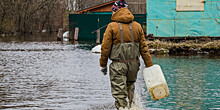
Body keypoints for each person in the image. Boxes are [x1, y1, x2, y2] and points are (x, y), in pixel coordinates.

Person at [99, 0, 153, 109]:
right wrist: (149, 66)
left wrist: (103, 65)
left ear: (115, 11)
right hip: (134, 65)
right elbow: (144, 49)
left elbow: (105, 48)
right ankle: (131, 107)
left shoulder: (111, 27)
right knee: (130, 88)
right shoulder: (137, 26)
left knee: (119, 94)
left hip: (118, 65)